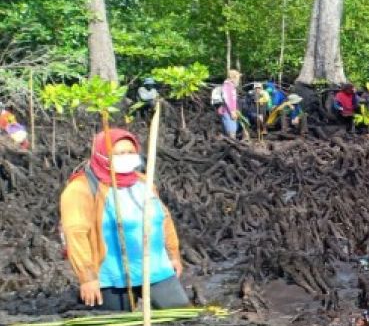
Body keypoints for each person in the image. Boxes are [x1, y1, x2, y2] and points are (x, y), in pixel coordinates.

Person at [59, 129, 189, 311]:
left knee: (181, 318)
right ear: (103, 155)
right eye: (119, 153)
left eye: (131, 152)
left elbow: (163, 219)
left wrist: (173, 255)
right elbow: (76, 234)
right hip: (111, 277)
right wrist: (87, 277)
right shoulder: (81, 189)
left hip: (156, 269)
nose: (127, 157)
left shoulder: (144, 182)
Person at [216, 70, 242, 138]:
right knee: (231, 132)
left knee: (233, 130)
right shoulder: (227, 85)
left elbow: (233, 100)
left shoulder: (232, 86)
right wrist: (232, 112)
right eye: (238, 77)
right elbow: (227, 99)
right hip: (227, 112)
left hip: (230, 112)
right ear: (233, 77)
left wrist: (237, 110)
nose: (238, 79)